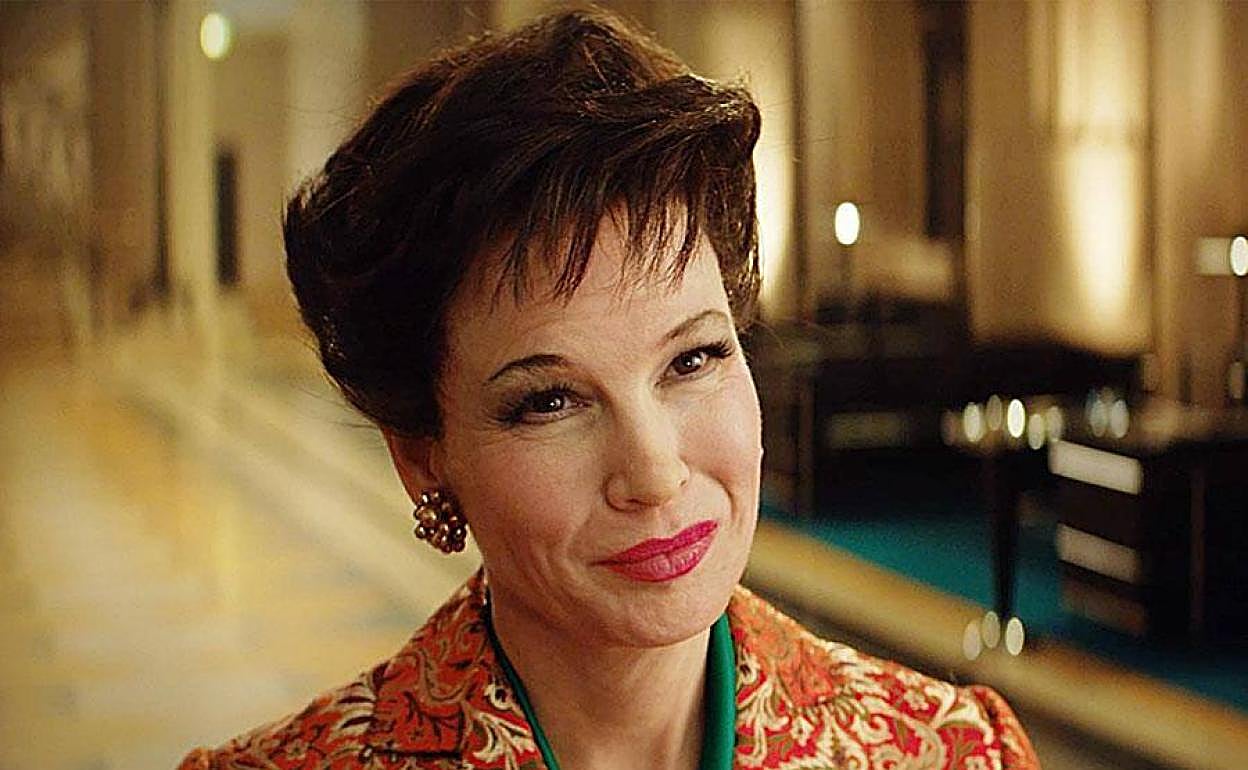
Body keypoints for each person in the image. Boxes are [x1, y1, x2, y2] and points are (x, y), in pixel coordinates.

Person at [179, 8, 1038, 770]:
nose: (654, 473)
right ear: (424, 454)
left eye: (693, 360)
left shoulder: (947, 752)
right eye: (550, 400)